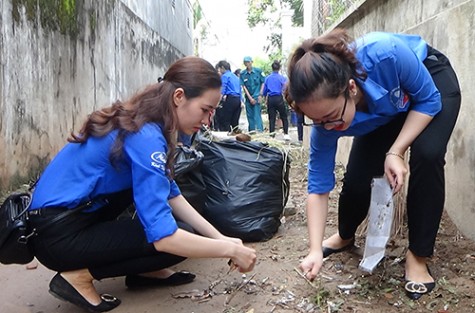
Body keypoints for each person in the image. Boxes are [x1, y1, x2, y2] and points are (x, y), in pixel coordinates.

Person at [28, 56, 257, 312]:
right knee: (175, 240)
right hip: (56, 235)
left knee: (182, 233)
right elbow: (164, 238)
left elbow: (171, 194)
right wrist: (228, 250)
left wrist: (223, 239)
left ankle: (146, 271)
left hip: (65, 222)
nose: (207, 120)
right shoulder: (146, 136)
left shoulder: (147, 123)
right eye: (205, 109)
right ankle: (78, 277)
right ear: (179, 97)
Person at [285, 29, 461, 300]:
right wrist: (314, 250)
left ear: (351, 89)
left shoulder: (385, 52)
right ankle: (344, 235)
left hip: (430, 85)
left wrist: (396, 151)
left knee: (428, 154)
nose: (329, 127)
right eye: (318, 121)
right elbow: (318, 188)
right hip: (387, 109)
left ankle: (417, 255)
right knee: (358, 178)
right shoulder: (325, 124)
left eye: (331, 117)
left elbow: (428, 99)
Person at [262, 60, 290, 140]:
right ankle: (286, 134)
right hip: (279, 98)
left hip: (271, 98)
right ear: (279, 68)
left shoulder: (267, 78)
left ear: (272, 68)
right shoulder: (282, 78)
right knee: (284, 116)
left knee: (272, 118)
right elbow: (285, 88)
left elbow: (265, 90)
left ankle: (272, 135)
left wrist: (264, 98)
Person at [215, 60, 242, 133]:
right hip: (237, 100)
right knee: (235, 122)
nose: (219, 70)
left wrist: (217, 103)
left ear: (222, 68)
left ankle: (225, 137)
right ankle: (236, 137)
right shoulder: (235, 77)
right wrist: (241, 101)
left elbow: (222, 90)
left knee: (225, 120)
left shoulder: (225, 76)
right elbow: (240, 90)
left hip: (230, 99)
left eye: (220, 69)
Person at [240, 56, 265, 132]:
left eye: (249, 62)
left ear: (252, 62)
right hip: (248, 98)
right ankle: (252, 133)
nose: (247, 64)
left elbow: (263, 83)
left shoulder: (258, 71)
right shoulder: (243, 74)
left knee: (257, 115)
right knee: (250, 116)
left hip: (257, 96)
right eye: (246, 62)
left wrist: (260, 95)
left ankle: (260, 132)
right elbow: (243, 86)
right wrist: (250, 98)